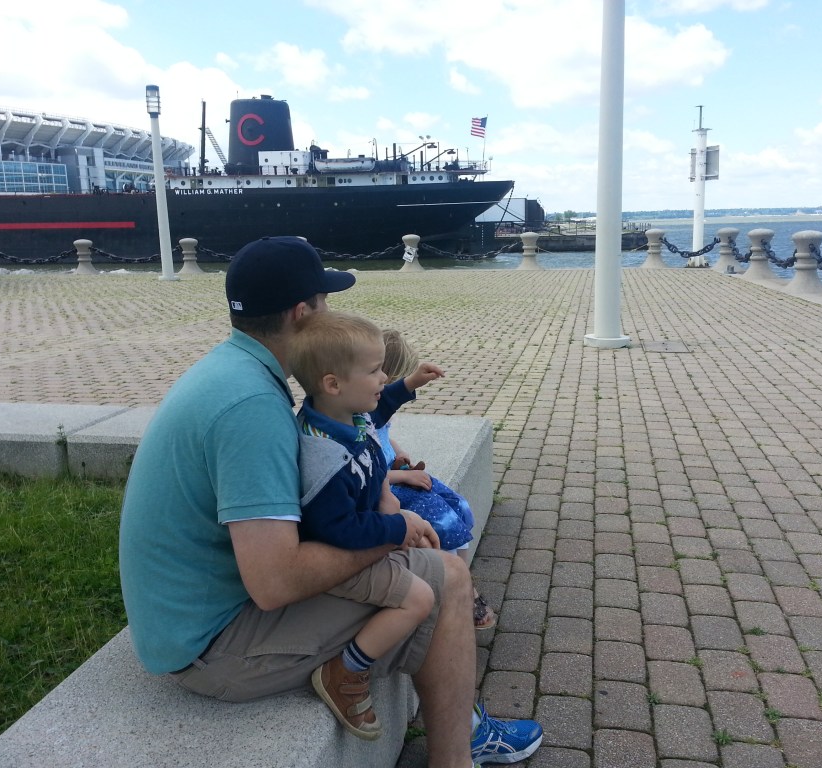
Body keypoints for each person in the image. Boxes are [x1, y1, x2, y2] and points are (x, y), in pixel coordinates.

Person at [117, 235, 542, 767]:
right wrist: (395, 531)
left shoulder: (232, 371)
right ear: (302, 313)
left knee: (413, 562)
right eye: (326, 302)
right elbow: (275, 583)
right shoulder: (251, 408)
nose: (333, 312)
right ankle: (457, 755)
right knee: (447, 579)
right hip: (210, 648)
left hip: (188, 615)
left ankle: (462, 730)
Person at [286, 311, 443, 740]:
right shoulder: (324, 460)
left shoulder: (340, 415)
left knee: (437, 559)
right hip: (339, 558)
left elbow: (377, 408)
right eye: (374, 371)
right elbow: (340, 530)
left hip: (367, 530)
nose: (384, 377)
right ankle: (345, 672)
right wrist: (396, 529)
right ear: (333, 383)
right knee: (418, 600)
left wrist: (408, 386)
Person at [380, 328, 497, 631]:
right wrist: (402, 474)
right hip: (381, 487)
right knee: (441, 522)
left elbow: (384, 437)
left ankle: (460, 579)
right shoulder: (354, 414)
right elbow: (361, 469)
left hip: (395, 475)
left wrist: (401, 455)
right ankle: (460, 592)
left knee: (458, 506)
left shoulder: (373, 409)